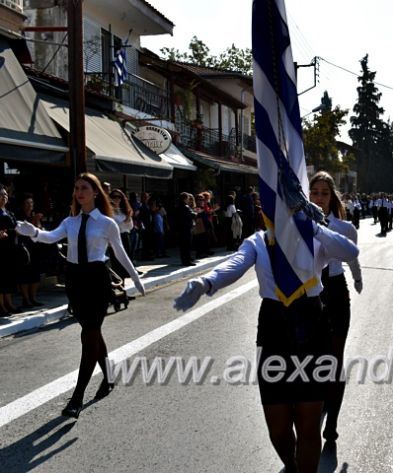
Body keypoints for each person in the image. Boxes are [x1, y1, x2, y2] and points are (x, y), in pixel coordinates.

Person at [173, 207, 358, 473]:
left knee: (308, 422)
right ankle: (292, 466)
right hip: (274, 327)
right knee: (278, 428)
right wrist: (207, 281)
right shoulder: (258, 241)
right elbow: (236, 263)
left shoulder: (315, 238)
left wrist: (315, 226)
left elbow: (350, 251)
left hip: (311, 323)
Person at [16, 173, 146, 418]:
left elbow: (120, 253)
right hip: (75, 281)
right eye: (76, 188)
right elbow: (50, 237)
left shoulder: (108, 223)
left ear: (96, 192)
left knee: (89, 335)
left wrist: (136, 278)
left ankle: (77, 398)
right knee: (92, 331)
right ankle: (108, 377)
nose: (79, 192)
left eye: (84, 188)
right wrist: (33, 232)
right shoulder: (70, 222)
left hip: (97, 280)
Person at [308, 171, 363, 443]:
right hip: (311, 296)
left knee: (335, 359)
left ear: (332, 197)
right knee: (316, 360)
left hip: (336, 293)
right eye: (314, 192)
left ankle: (332, 422)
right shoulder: (299, 226)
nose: (319, 198)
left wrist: (358, 277)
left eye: (324, 193)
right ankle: (317, 409)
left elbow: (351, 256)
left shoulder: (344, 227)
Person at [16, 193, 44, 308]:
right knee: (25, 275)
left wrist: (37, 221)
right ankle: (26, 299)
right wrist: (33, 221)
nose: (29, 205)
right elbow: (23, 231)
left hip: (35, 247)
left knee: (35, 274)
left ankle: (33, 298)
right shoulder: (19, 216)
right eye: (27, 203)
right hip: (24, 247)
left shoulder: (34, 215)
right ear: (23, 205)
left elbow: (39, 230)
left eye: (31, 203)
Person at [0, 184, 20, 316]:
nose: (3, 197)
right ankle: (1, 306)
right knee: (1, 279)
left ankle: (9, 303)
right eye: (1, 195)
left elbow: (14, 227)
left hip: (10, 249)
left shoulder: (9, 212)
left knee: (8, 278)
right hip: (0, 250)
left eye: (5, 195)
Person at [108, 189, 134, 281]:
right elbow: (113, 227)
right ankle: (118, 288)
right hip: (115, 239)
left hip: (125, 237)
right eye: (114, 197)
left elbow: (130, 226)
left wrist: (128, 219)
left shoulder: (124, 211)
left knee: (126, 263)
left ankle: (123, 289)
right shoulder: (109, 212)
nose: (117, 199)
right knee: (117, 264)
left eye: (119, 197)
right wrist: (125, 221)